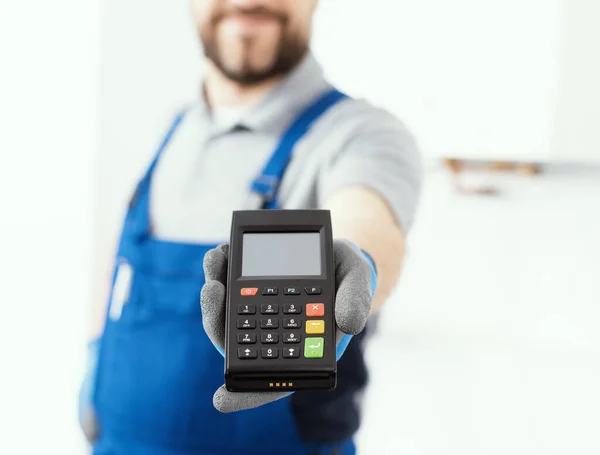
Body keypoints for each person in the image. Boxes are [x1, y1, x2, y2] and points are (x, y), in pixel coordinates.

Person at [79, 0, 423, 454]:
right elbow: (119, 270)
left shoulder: (361, 135)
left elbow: (367, 221)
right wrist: (93, 369)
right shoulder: (170, 128)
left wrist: (356, 267)